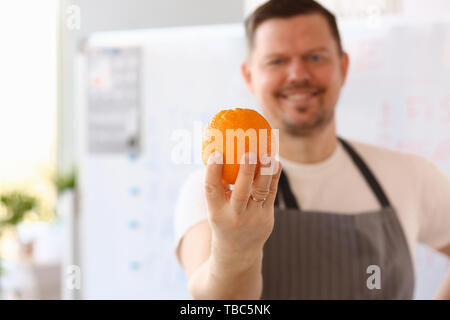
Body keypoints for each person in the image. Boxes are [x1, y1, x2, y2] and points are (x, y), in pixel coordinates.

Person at [173, 0, 450, 299]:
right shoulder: (218, 192)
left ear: (343, 67)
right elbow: (212, 299)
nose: (297, 75)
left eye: (315, 57)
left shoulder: (409, 174)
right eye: (276, 61)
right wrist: (235, 249)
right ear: (249, 77)